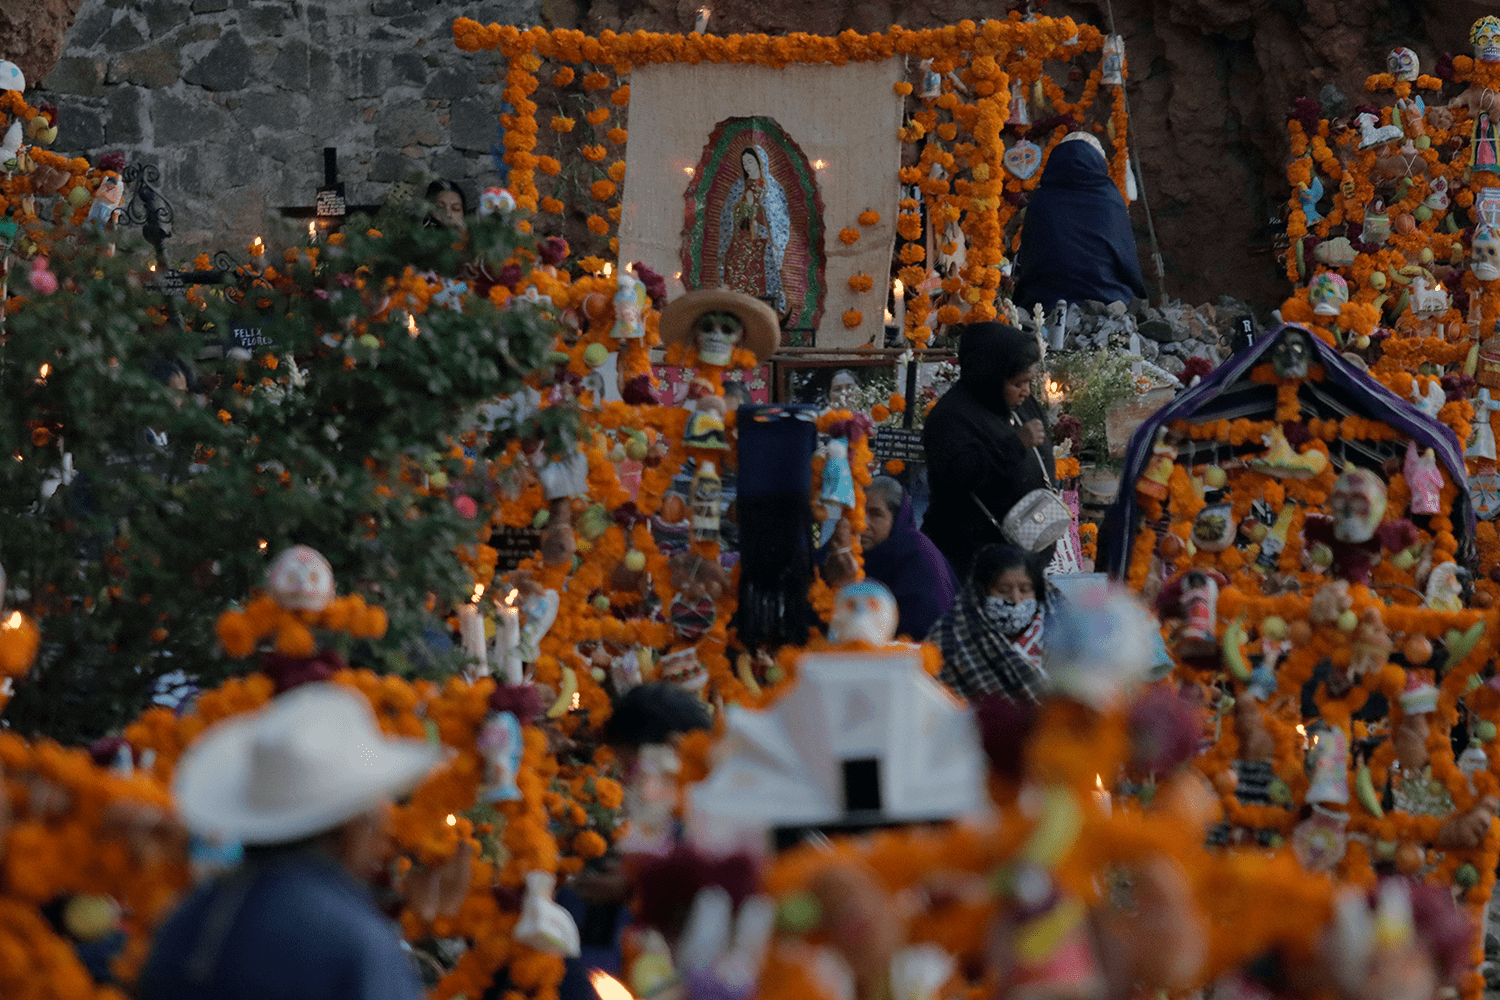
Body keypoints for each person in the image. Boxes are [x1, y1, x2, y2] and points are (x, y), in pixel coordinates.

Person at [139, 683, 441, 1000]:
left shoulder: (190, 921)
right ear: (350, 826)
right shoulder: (355, 940)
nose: (384, 830)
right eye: (375, 808)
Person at [921, 322, 1053, 579]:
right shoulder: (950, 418)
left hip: (1022, 561)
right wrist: (1016, 445)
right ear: (991, 376)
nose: (1026, 391)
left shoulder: (1018, 404)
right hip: (971, 562)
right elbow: (960, 475)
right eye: (1018, 383)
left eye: (1029, 382)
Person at [1011, 131, 1146, 311]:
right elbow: (1127, 262)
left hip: (1044, 303)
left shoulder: (1040, 201)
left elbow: (1028, 262)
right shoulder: (1109, 200)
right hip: (1108, 300)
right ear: (1097, 160)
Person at [929, 543, 1055, 702]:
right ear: (981, 592)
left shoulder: (1058, 635)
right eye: (1003, 590)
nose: (1016, 600)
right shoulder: (952, 634)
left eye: (1024, 590)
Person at [860, 475, 958, 640]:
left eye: (875, 514)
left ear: (897, 518)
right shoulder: (847, 552)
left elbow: (926, 626)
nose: (863, 524)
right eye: (858, 512)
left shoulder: (915, 555)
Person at [718, 145, 790, 314]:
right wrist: (744, 206)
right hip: (740, 241)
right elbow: (728, 214)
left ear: (760, 162)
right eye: (744, 163)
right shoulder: (738, 188)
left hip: (763, 243)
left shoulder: (771, 188)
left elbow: (779, 219)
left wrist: (756, 210)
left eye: (750, 162)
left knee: (763, 280)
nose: (747, 167)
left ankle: (766, 313)